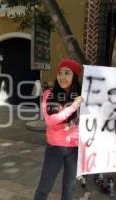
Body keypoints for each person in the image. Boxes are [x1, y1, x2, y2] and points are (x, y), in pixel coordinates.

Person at [34, 58, 83, 200]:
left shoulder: (81, 96)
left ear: (74, 76)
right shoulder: (49, 94)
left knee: (69, 188)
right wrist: (73, 106)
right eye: (60, 73)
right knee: (44, 187)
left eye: (67, 73)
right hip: (55, 148)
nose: (62, 77)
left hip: (75, 148)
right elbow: (50, 120)